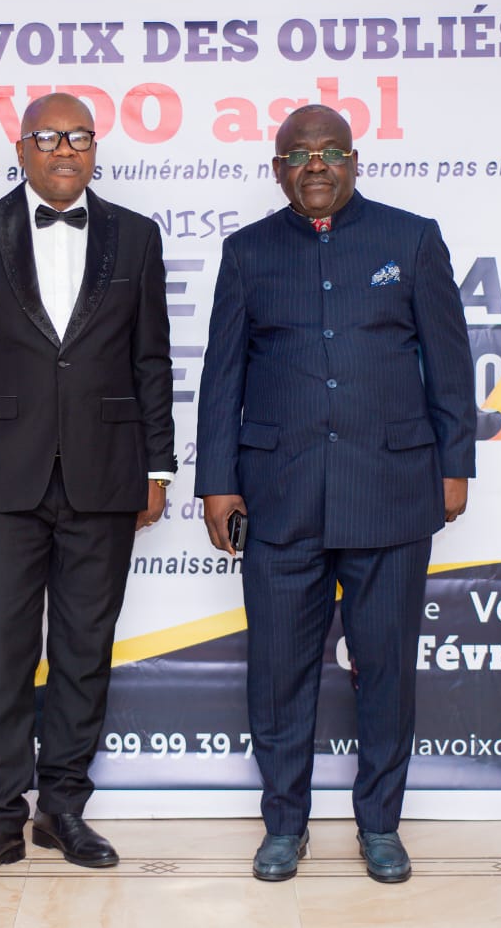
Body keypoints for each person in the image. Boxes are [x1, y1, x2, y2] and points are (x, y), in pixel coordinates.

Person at [194, 105, 475, 884]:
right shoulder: (248, 253)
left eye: (329, 152)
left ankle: (380, 824)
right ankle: (284, 824)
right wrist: (217, 482)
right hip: (278, 497)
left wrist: (455, 464)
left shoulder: (411, 240)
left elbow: (449, 363)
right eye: (298, 154)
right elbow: (223, 377)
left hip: (391, 491)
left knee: (385, 669)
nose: (314, 164)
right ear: (277, 169)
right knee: (277, 674)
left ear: (354, 161)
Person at [0, 92, 176, 886]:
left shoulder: (136, 236)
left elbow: (152, 360)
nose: (65, 149)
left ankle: (62, 806)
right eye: (48, 136)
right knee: (1, 650)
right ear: (22, 148)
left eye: (79, 137)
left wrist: (158, 468)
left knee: (83, 650)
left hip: (105, 471)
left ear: (95, 149)